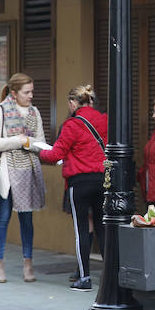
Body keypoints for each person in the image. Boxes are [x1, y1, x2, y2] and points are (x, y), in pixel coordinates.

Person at [38, 85, 108, 292]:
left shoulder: (71, 125)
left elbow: (54, 155)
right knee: (103, 229)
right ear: (91, 101)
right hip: (103, 181)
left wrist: (36, 152)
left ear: (72, 104)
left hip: (79, 183)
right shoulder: (105, 120)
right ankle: (110, 278)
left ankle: (85, 278)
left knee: (81, 230)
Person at [0, 73, 46, 284]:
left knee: (27, 221)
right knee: (2, 219)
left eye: (32, 92)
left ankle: (28, 263)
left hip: (28, 171)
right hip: (7, 173)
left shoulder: (34, 112)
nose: (31, 96)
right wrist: (18, 141)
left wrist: (32, 144)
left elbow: (40, 142)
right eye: (26, 92)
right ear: (14, 92)